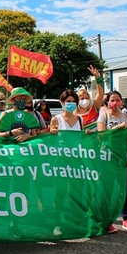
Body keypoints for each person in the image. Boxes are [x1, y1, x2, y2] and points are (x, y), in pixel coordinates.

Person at [97, 90, 127, 234]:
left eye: (118, 100)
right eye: (112, 100)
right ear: (107, 103)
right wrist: (116, 128)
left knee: (123, 190)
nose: (115, 103)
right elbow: (101, 137)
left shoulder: (126, 117)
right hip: (107, 159)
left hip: (123, 160)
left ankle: (126, 219)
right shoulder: (104, 116)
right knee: (108, 190)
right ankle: (107, 221)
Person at [49, 89, 84, 236]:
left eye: (73, 102)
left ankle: (76, 223)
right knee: (60, 193)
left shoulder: (80, 120)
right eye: (68, 101)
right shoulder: (56, 119)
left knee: (77, 192)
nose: (71, 104)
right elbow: (50, 138)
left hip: (76, 161)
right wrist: (53, 132)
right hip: (61, 161)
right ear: (62, 102)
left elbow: (83, 139)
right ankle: (57, 224)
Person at [74, 65, 104, 132]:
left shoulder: (94, 108)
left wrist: (97, 79)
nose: (85, 100)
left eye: (87, 98)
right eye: (82, 99)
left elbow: (100, 94)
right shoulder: (74, 116)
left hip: (96, 141)